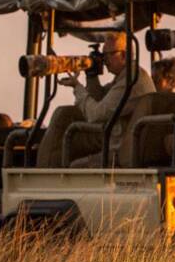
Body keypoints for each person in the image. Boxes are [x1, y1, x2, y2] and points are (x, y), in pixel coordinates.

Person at [60, 32, 155, 165]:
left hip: (122, 153)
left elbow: (95, 115)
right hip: (122, 145)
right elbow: (100, 99)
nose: (104, 60)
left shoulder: (131, 81)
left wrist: (77, 87)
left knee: (74, 166)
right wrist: (92, 75)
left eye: (108, 55)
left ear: (124, 55)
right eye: (102, 55)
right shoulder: (127, 76)